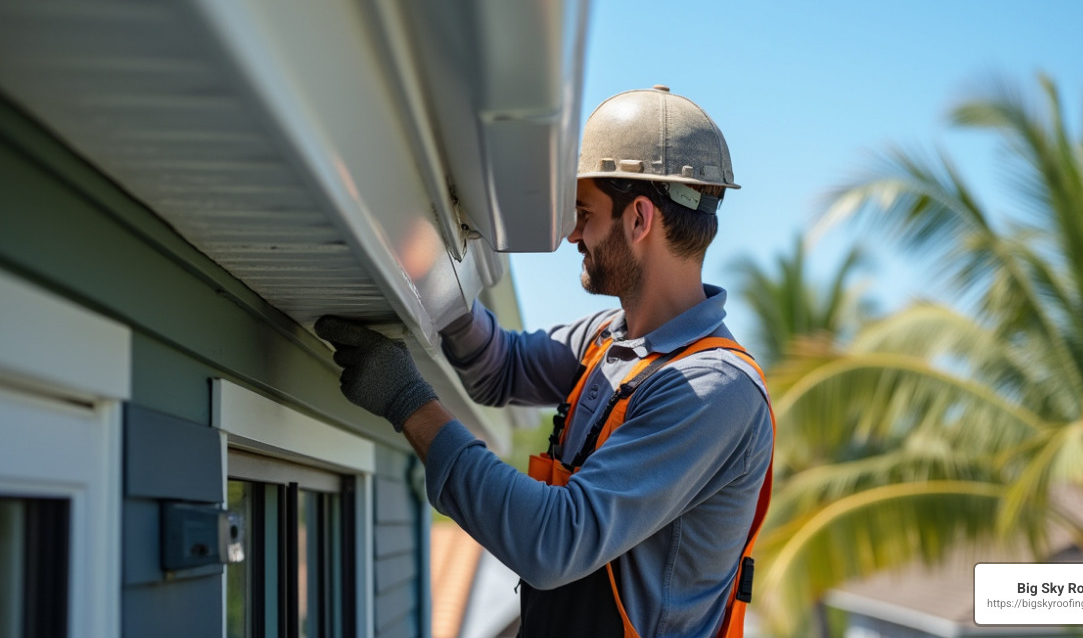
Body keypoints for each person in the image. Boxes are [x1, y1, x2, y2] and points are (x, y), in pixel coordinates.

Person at [315, 86, 774, 638]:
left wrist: (408, 403)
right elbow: (502, 368)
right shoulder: (612, 339)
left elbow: (555, 542)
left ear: (639, 219)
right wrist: (446, 290)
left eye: (585, 214)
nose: (573, 234)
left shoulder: (711, 391)